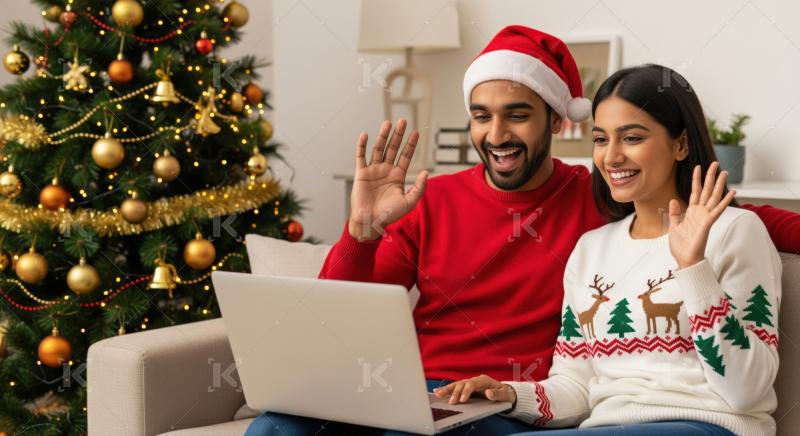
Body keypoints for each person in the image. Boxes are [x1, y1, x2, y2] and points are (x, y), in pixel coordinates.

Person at [245, 26, 799, 436]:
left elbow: (707, 216)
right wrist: (361, 232)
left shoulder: (597, 196)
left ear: (556, 119)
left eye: (516, 114)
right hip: (412, 393)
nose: (496, 134)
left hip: (497, 410)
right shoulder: (429, 200)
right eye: (481, 116)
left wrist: (705, 238)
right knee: (275, 428)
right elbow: (338, 325)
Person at [433, 64, 781, 436]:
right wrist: (510, 393)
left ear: (681, 144)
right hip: (605, 426)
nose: (611, 157)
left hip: (709, 425)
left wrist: (692, 267)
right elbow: (576, 387)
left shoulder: (734, 232)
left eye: (631, 138)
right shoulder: (591, 248)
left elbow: (745, 390)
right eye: (601, 139)